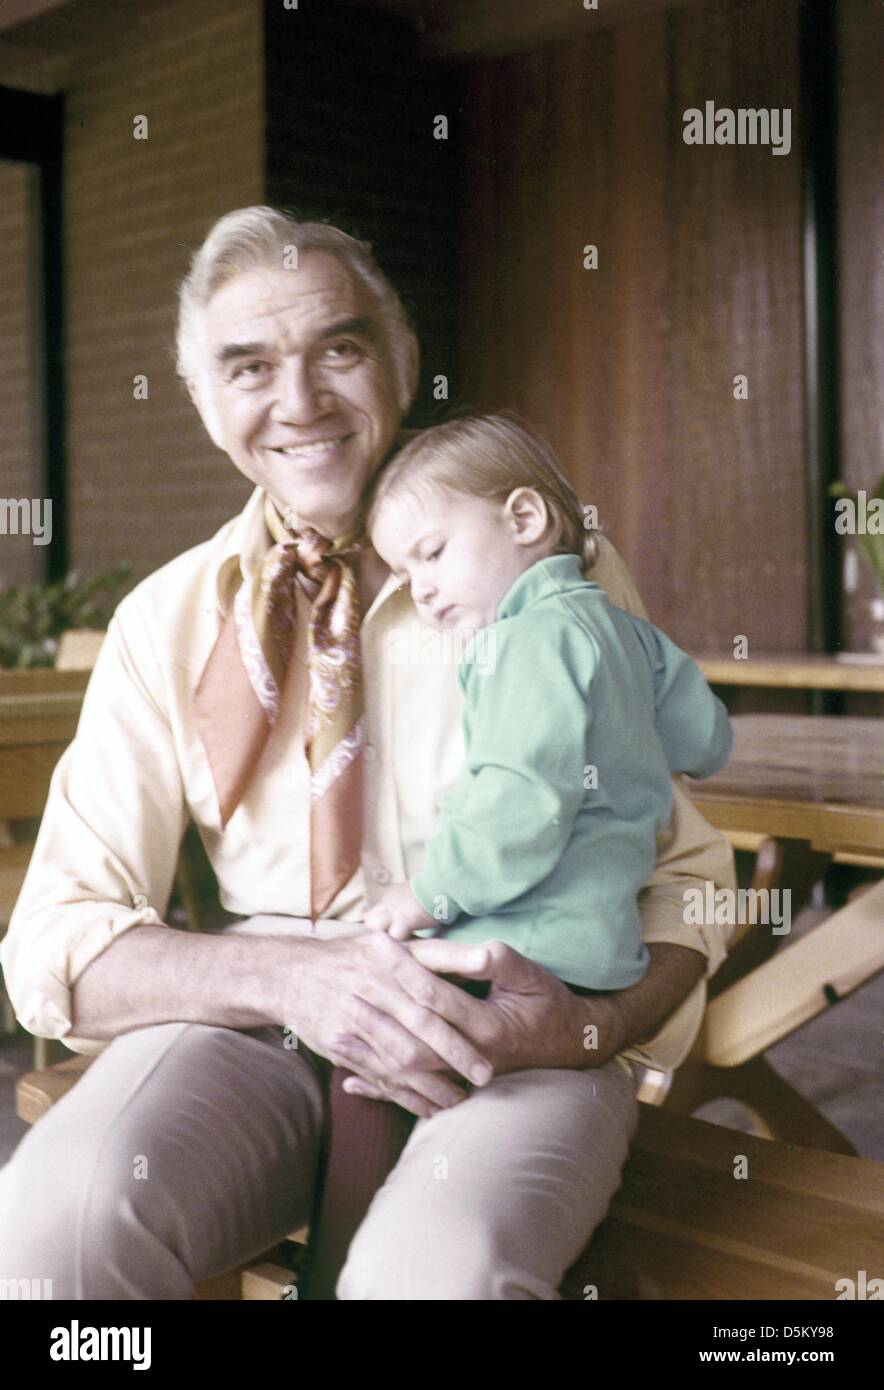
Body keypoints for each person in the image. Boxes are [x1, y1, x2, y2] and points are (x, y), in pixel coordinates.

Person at [0, 206, 735, 1300]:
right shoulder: (166, 622)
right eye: (247, 367)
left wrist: (584, 1026)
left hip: (514, 1019)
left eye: (337, 350)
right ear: (203, 402)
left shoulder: (545, 574)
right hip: (257, 1017)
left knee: (432, 1279)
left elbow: (685, 885)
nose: (298, 403)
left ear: (400, 362)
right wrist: (296, 979)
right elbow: (56, 943)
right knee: (47, 1235)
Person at [363, 414, 734, 994]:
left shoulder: (520, 643)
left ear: (524, 518)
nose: (421, 590)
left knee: (360, 1060)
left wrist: (431, 891)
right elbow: (707, 742)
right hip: (605, 945)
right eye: (403, 574)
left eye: (431, 554)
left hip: (516, 947)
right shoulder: (630, 632)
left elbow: (519, 802)